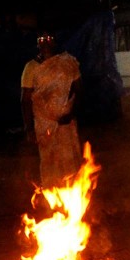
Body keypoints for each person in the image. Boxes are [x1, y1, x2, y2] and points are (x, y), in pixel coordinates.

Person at [20, 32, 83, 188]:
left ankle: (72, 196)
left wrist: (71, 113)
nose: (45, 43)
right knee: (50, 162)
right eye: (41, 40)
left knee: (70, 162)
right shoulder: (31, 68)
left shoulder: (67, 63)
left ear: (54, 42)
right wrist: (29, 128)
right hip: (44, 125)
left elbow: (79, 90)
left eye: (48, 39)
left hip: (66, 123)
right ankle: (52, 197)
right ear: (37, 44)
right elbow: (25, 100)